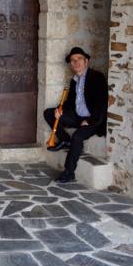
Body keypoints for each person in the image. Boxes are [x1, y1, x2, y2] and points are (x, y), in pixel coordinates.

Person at [44, 46, 108, 183]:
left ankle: (69, 172)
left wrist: (90, 121)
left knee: (78, 136)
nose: (76, 62)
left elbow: (101, 103)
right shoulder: (75, 80)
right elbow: (70, 103)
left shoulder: (96, 77)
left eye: (79, 59)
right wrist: (59, 109)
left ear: (86, 61)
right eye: (73, 60)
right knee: (49, 113)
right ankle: (65, 140)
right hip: (77, 117)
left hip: (93, 121)